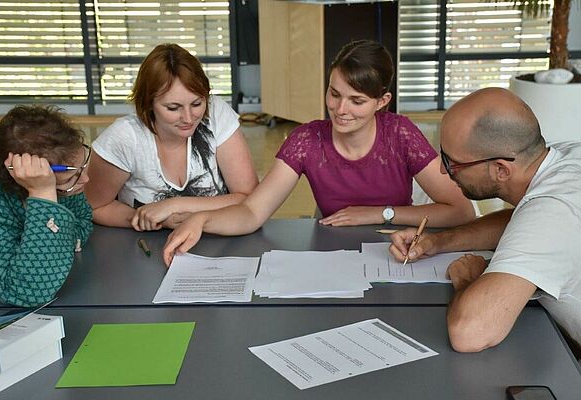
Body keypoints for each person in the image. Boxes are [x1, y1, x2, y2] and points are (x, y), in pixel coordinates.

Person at [161, 40, 475, 263]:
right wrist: (201, 219)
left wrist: (380, 213)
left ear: (382, 101)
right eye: (334, 93)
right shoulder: (306, 140)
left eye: (357, 100)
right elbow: (252, 212)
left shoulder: (401, 133)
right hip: (333, 252)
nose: (340, 110)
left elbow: (461, 211)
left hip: (395, 246)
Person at [388, 87, 581, 355]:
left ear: (501, 169)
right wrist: (438, 242)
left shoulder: (553, 211)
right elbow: (521, 219)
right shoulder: (565, 157)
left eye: (452, 163)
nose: (443, 170)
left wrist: (468, 280)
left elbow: (470, 333)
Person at [85, 43, 258, 231]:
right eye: (173, 108)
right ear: (148, 103)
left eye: (197, 103)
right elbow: (95, 206)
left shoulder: (216, 112)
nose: (188, 118)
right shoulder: (124, 137)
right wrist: (145, 219)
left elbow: (250, 198)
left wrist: (173, 205)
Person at [0, 105, 93, 312]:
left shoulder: (65, 180)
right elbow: (24, 291)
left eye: (83, 168)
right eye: (71, 177)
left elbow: (84, 221)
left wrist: (55, 240)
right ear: (22, 179)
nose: (85, 179)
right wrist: (43, 194)